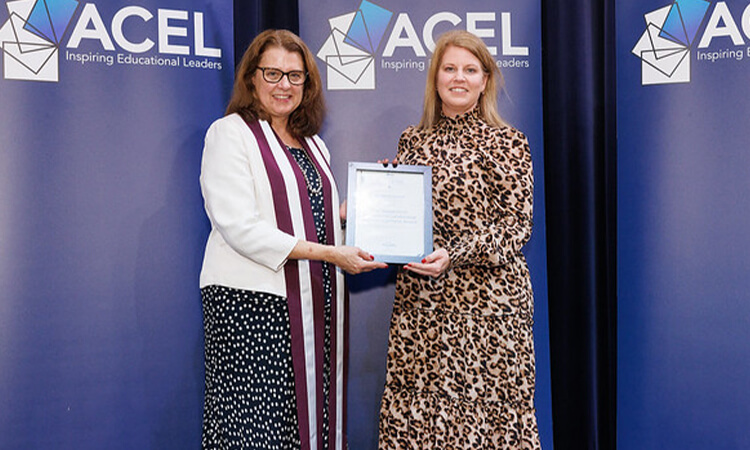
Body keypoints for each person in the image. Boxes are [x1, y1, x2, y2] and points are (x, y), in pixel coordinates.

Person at [199, 29, 387, 450]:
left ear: (308, 84)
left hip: (312, 303)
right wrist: (330, 255)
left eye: (295, 76)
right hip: (252, 304)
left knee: (303, 424)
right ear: (251, 79)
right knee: (253, 428)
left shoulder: (313, 145)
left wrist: (373, 200)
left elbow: (318, 216)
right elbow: (238, 224)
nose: (284, 85)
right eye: (273, 74)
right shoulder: (229, 133)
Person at [377, 30, 541, 449]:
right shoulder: (411, 141)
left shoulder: (509, 142)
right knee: (421, 421)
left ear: (485, 80)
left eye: (470, 70)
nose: (458, 78)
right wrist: (382, 189)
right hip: (424, 306)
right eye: (449, 68)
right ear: (435, 78)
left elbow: (516, 226)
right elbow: (406, 217)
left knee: (490, 422)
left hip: (491, 307)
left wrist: (455, 253)